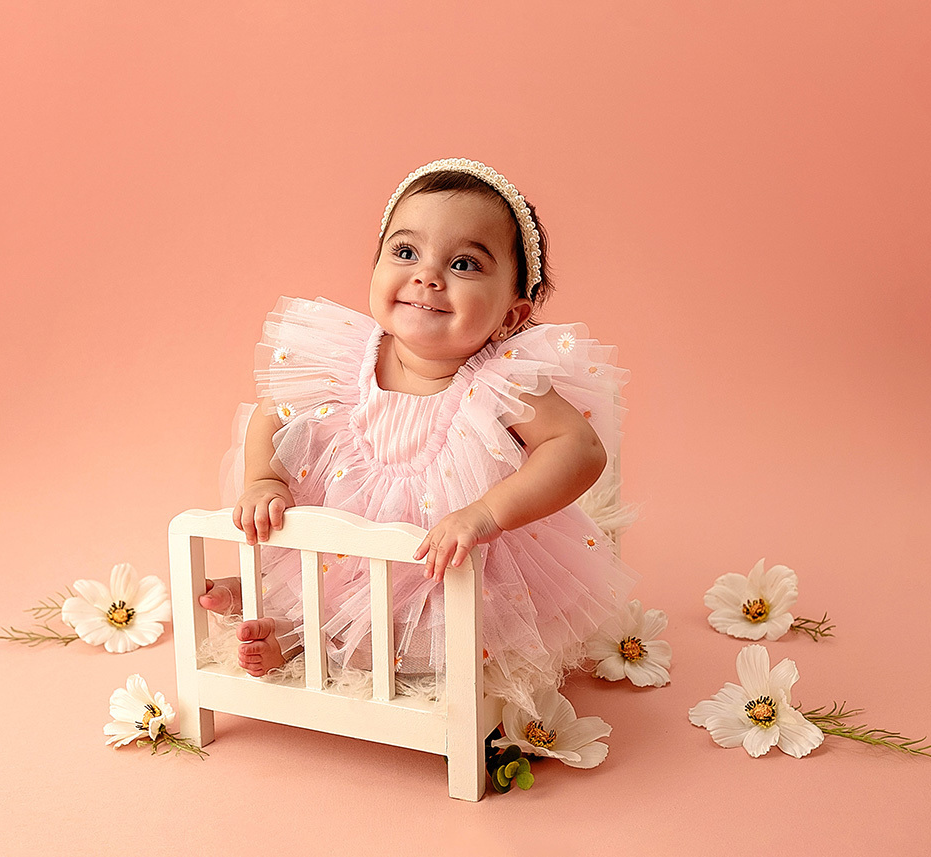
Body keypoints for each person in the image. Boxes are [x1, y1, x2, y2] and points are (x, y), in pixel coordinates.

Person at [202, 158, 636, 713]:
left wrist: (485, 513)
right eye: (405, 253)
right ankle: (274, 605)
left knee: (429, 632)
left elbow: (579, 450)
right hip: (345, 543)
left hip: (447, 556)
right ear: (376, 266)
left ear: (511, 314)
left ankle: (296, 637)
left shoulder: (502, 383)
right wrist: (264, 476)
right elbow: (271, 412)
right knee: (299, 543)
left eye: (463, 263)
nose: (427, 277)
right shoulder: (341, 358)